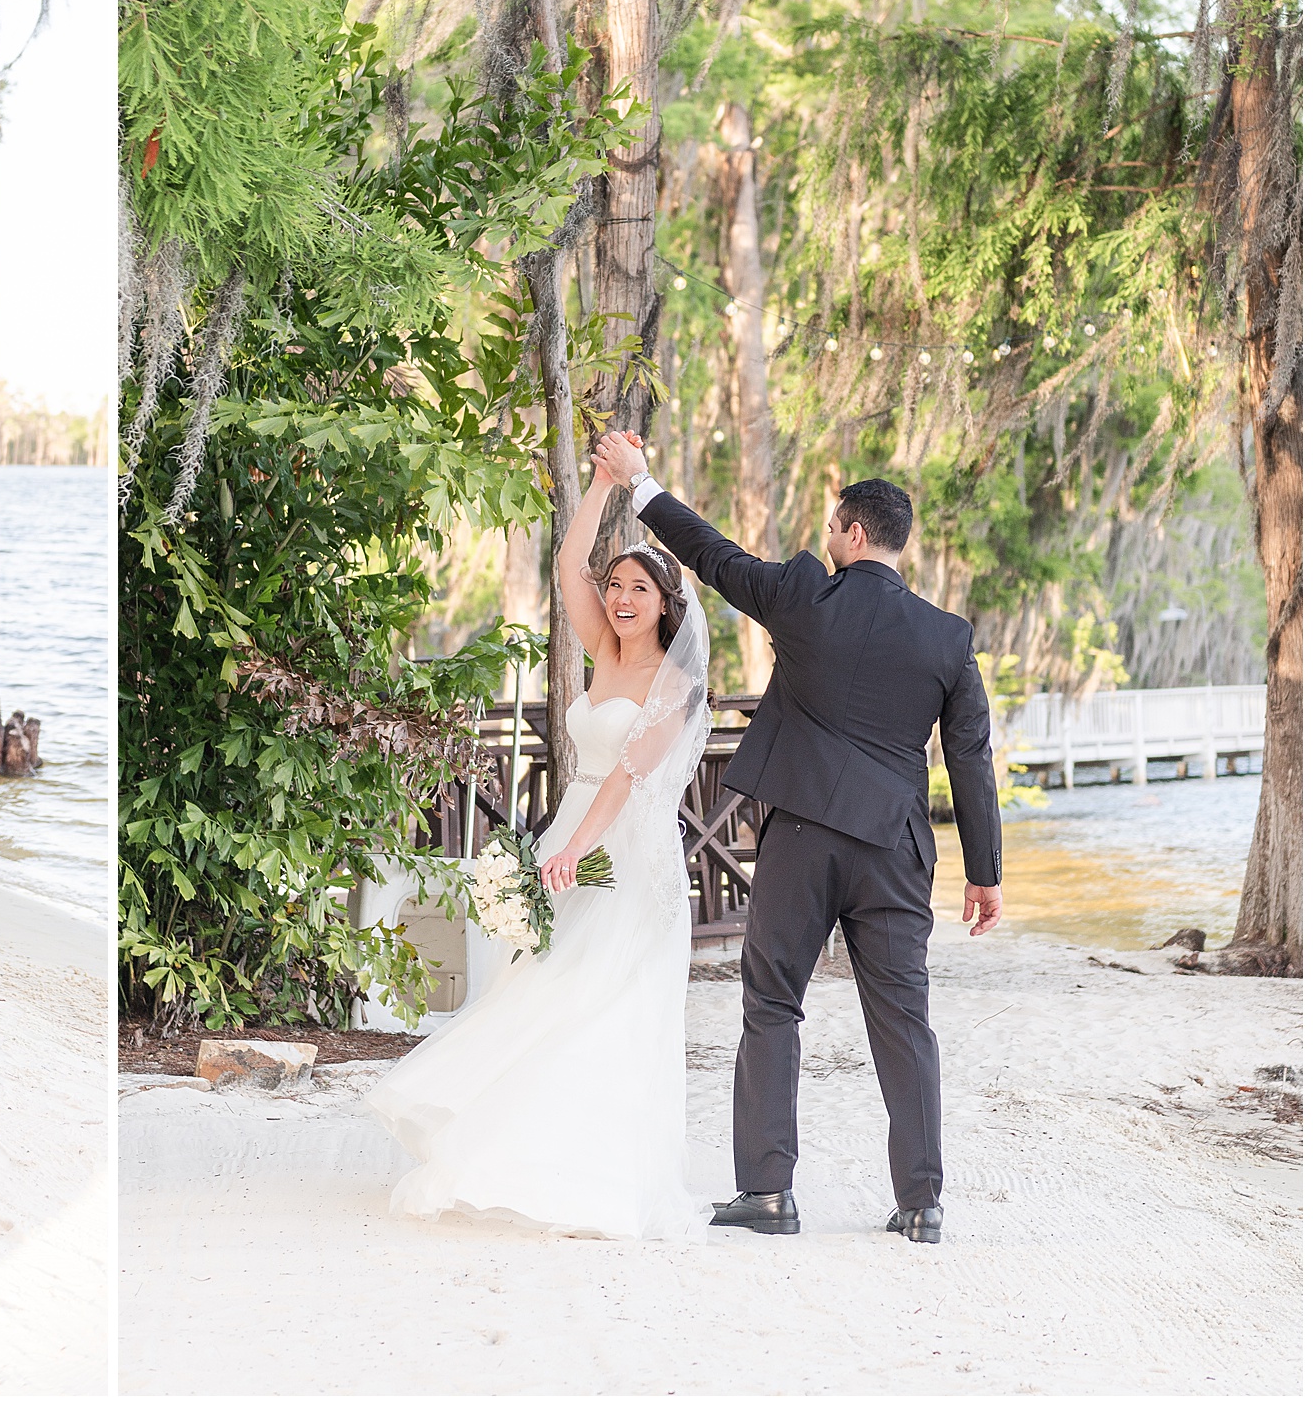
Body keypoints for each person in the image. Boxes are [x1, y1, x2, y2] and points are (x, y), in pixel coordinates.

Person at [599, 431, 1002, 1245]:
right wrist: (984, 872)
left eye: (830, 527)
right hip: (894, 849)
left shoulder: (803, 595)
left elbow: (712, 555)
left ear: (853, 533)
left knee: (773, 1000)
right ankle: (922, 1202)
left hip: (803, 839)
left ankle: (770, 1192)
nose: (825, 538)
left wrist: (640, 485)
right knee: (904, 1020)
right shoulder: (948, 637)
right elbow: (971, 758)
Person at [364, 439, 712, 1240]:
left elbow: (626, 776)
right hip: (571, 839)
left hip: (625, 860)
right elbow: (565, 568)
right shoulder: (601, 652)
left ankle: (597, 1175)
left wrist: (566, 849)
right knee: (538, 989)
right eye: (616, 586)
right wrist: (597, 483)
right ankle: (507, 1147)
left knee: (603, 1004)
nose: (622, 599)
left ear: (667, 604)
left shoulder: (676, 684)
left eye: (639, 589)